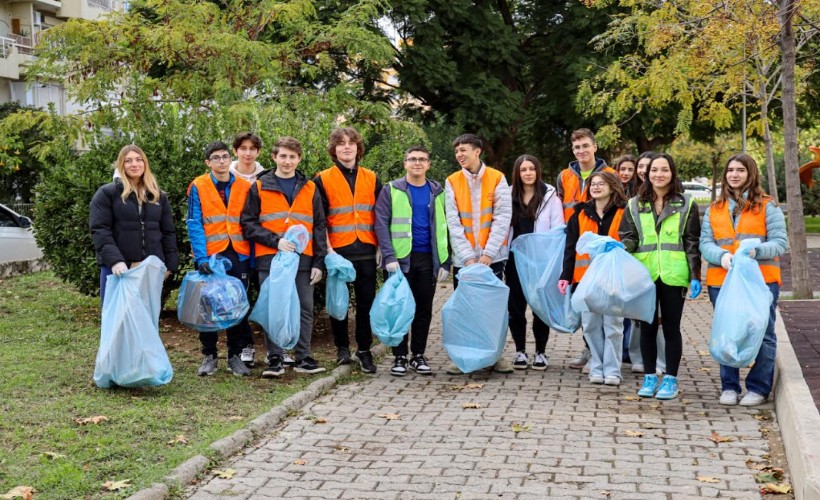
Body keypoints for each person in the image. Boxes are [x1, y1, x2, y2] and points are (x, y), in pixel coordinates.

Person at [699, 153, 786, 406]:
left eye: (740, 170)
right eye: (730, 170)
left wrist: (755, 251)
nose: (734, 174)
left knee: (763, 332)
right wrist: (722, 256)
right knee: (727, 331)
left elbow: (780, 243)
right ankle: (729, 386)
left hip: (761, 281)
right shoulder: (714, 209)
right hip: (722, 279)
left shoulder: (767, 206)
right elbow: (706, 243)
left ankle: (758, 388)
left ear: (751, 174)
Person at [241, 136, 328, 378]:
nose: (287, 161)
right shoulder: (259, 186)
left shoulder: (310, 187)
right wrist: (275, 240)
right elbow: (248, 224)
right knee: (274, 307)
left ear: (298, 159)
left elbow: (319, 226)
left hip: (304, 259)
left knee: (305, 307)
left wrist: (319, 262)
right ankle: (275, 358)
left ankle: (303, 357)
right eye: (283, 156)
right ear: (274, 157)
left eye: (292, 157)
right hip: (270, 257)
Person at [620, 153, 701, 400]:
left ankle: (671, 380)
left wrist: (695, 275)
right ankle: (649, 377)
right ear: (646, 174)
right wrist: (622, 246)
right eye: (654, 170)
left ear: (672, 173)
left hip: (674, 273)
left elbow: (691, 241)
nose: (659, 174)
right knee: (646, 327)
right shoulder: (635, 203)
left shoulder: (686, 203)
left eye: (664, 170)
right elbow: (630, 235)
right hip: (644, 274)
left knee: (672, 329)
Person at [374, 145, 451, 377]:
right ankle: (399, 356)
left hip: (428, 259)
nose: (417, 163)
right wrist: (389, 257)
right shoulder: (391, 190)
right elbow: (381, 223)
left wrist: (445, 262)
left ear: (428, 164)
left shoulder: (439, 192)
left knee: (423, 309)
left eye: (422, 159)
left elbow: (447, 226)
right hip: (400, 261)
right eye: (412, 159)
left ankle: (418, 355)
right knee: (399, 309)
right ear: (405, 163)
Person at [314, 127, 382, 374]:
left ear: (357, 148)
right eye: (341, 143)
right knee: (338, 303)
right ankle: (342, 349)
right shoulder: (322, 179)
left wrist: (380, 248)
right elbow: (319, 220)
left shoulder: (372, 177)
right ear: (334, 149)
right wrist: (328, 251)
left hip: (366, 250)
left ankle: (364, 350)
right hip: (338, 253)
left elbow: (380, 216)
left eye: (351, 143)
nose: (346, 147)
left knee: (366, 304)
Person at [444, 133, 513, 375]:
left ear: (477, 151)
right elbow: (453, 222)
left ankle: (494, 356)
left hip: (492, 258)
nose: (460, 155)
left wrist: (488, 255)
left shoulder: (497, 179)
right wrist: (468, 257)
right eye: (457, 151)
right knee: (465, 309)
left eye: (464, 150)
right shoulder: (452, 181)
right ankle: (463, 355)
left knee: (492, 310)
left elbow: (503, 217)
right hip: (464, 260)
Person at [187, 141, 254, 377]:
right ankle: (209, 355)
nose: (222, 161)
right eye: (216, 158)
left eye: (225, 156)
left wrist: (250, 256)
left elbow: (250, 221)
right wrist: (201, 256)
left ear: (230, 159)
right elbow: (194, 223)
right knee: (208, 305)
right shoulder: (199, 185)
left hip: (238, 253)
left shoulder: (244, 186)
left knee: (236, 305)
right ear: (208, 162)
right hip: (211, 254)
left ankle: (234, 356)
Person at [556, 128, 617, 370]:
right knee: (584, 305)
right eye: (577, 147)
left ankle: (602, 357)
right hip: (575, 243)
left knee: (606, 310)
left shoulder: (610, 174)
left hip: (604, 246)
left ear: (595, 147)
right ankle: (589, 349)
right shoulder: (564, 176)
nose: (581, 151)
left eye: (585, 146)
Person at [558, 171, 627, 385]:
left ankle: (613, 370)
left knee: (613, 325)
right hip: (585, 279)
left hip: (614, 279)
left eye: (601, 184)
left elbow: (631, 242)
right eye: (593, 184)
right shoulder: (579, 213)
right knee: (590, 325)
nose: (596, 187)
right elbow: (570, 247)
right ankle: (597, 367)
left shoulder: (624, 212)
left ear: (613, 186)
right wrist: (565, 276)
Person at [90, 145, 178, 305]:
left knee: (145, 321)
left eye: (139, 160)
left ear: (145, 163)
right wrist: (116, 261)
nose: (134, 164)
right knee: (117, 322)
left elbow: (168, 231)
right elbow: (100, 230)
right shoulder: (107, 193)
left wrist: (170, 265)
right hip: (117, 269)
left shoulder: (158, 195)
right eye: (128, 161)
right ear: (121, 165)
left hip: (149, 268)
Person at [506, 154, 563, 370]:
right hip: (515, 260)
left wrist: (551, 260)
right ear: (517, 173)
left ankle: (541, 352)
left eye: (531, 169)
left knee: (540, 308)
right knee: (516, 308)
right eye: (523, 169)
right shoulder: (508, 196)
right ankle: (520, 351)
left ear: (538, 171)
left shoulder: (550, 197)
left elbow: (558, 230)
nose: (528, 173)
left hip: (540, 260)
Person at [623, 150, 666, 374]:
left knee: (658, 316)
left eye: (648, 167)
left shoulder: (670, 196)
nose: (643, 171)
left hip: (663, 266)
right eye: (641, 166)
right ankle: (636, 356)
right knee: (638, 314)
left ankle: (660, 359)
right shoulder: (629, 196)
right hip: (637, 264)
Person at [230, 132, 266, 368]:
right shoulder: (225, 175)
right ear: (236, 151)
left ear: (258, 152)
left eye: (252, 148)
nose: (247, 152)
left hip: (263, 245)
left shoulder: (266, 177)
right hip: (235, 247)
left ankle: (276, 348)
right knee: (238, 297)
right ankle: (245, 346)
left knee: (265, 297)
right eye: (243, 148)